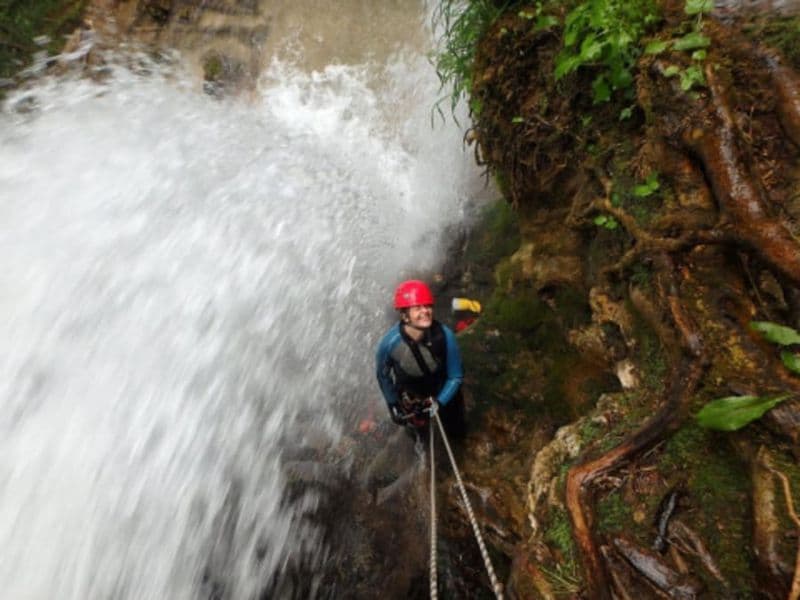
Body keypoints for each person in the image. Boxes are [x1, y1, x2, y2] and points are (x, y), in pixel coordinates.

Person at [375, 279, 466, 437]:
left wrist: (440, 402)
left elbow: (455, 376)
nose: (425, 311)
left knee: (456, 429)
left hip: (440, 386)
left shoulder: (444, 336)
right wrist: (393, 403)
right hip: (412, 392)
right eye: (417, 308)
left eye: (428, 306)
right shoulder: (389, 344)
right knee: (418, 436)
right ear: (405, 315)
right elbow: (383, 375)